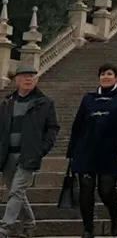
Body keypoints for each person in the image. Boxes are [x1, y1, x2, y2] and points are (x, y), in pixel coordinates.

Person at [68, 62, 117, 238]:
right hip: (86, 150)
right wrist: (72, 152)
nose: (105, 77)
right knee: (86, 189)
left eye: (109, 74)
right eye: (103, 74)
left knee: (106, 190)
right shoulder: (88, 98)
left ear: (116, 78)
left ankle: (115, 219)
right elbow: (78, 124)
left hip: (111, 151)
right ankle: (88, 230)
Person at [0, 64, 60, 238]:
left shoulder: (45, 103)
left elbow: (52, 128)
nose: (28, 79)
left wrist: (41, 149)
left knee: (16, 190)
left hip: (29, 154)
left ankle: (5, 228)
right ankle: (29, 225)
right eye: (24, 76)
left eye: (32, 76)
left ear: (36, 80)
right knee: (16, 191)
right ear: (16, 80)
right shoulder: (6, 103)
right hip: (7, 155)